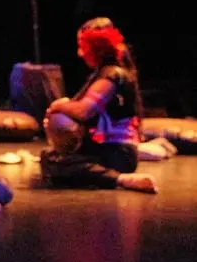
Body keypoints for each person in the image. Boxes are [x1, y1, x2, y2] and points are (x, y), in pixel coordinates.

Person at [40, 17, 157, 193]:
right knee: (49, 158)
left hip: (118, 154)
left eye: (83, 46)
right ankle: (106, 175)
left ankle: (120, 179)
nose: (80, 53)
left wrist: (58, 106)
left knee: (60, 164)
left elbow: (84, 111)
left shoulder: (112, 74)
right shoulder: (104, 73)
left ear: (96, 47)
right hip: (108, 150)